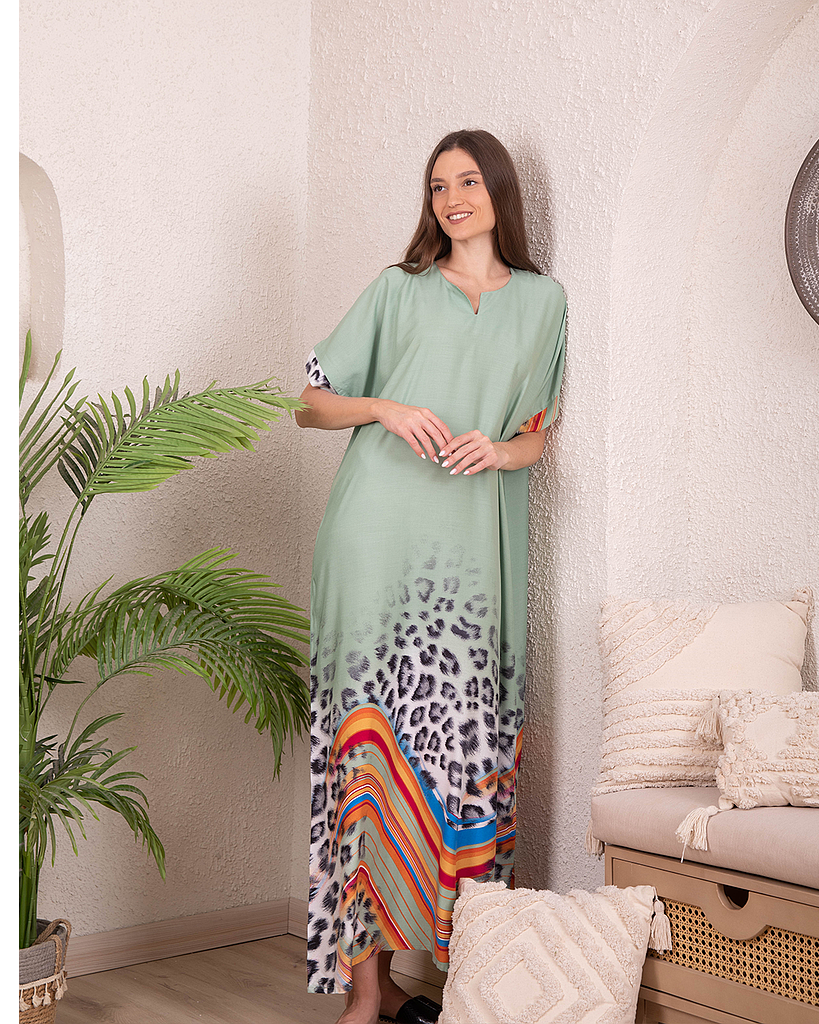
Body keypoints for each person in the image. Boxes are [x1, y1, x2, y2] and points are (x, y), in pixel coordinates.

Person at [296, 129, 567, 1024]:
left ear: (499, 191)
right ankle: (366, 992)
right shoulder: (398, 289)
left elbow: (536, 437)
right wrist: (381, 406)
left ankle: (468, 983)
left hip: (472, 559)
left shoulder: (544, 304)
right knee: (366, 761)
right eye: (438, 185)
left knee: (468, 758)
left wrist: (499, 451)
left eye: (469, 181)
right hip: (373, 543)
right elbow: (309, 404)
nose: (452, 199)